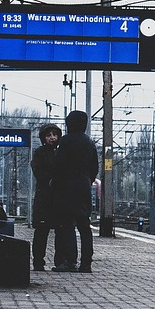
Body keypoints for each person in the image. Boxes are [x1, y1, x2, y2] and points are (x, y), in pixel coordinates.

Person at [55, 109, 98, 272]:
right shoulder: (89, 142)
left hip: (67, 187)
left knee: (68, 225)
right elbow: (95, 167)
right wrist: (88, 180)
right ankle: (86, 263)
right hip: (84, 186)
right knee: (84, 226)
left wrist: (56, 183)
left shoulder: (66, 141)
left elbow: (59, 165)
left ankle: (70, 261)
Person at [28, 123, 63, 271]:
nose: (52, 138)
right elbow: (38, 171)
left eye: (54, 135)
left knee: (60, 231)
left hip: (58, 197)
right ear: (44, 138)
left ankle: (60, 261)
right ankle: (38, 262)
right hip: (44, 197)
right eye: (49, 135)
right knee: (41, 231)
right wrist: (51, 181)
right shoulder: (39, 153)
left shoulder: (61, 153)